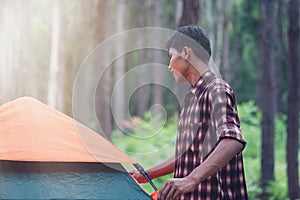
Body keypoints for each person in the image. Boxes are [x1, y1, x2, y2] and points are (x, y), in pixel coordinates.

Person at [130, 25, 248, 200]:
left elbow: (232, 140)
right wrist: (146, 175)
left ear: (185, 52)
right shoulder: (191, 99)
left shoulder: (216, 88)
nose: (169, 66)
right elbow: (187, 156)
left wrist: (191, 179)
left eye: (171, 57)